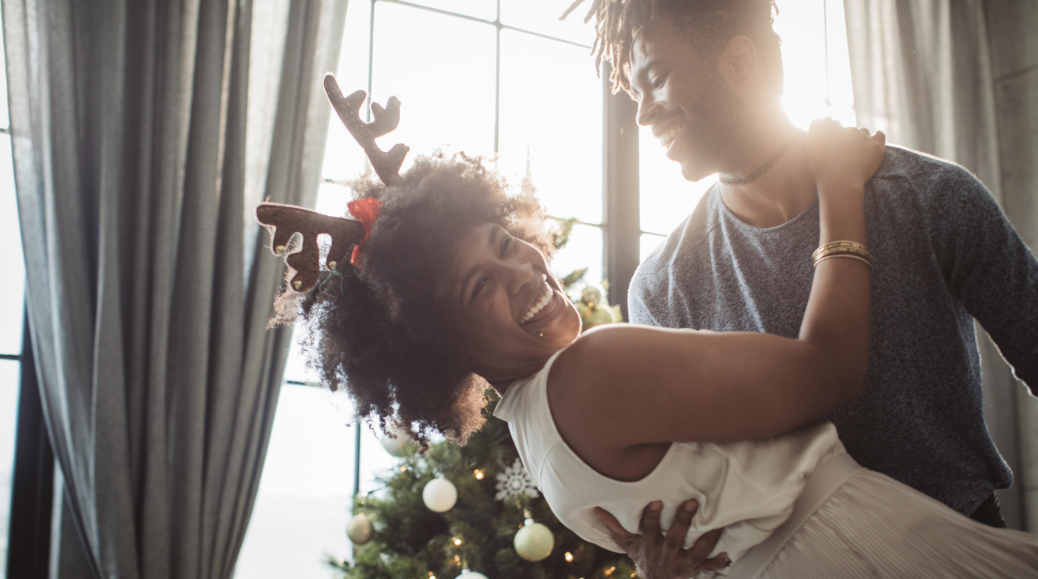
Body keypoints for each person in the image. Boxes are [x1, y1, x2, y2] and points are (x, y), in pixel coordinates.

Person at [264, 112, 1038, 577]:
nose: (522, 269)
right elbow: (827, 371)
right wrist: (840, 192)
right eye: (479, 287)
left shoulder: (533, 428)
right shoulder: (590, 372)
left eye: (505, 242)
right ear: (442, 344)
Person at [559, 0, 1038, 574]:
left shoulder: (929, 197)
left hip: (966, 554)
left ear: (739, 63)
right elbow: (695, 494)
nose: (640, 116)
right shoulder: (662, 288)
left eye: (655, 79)